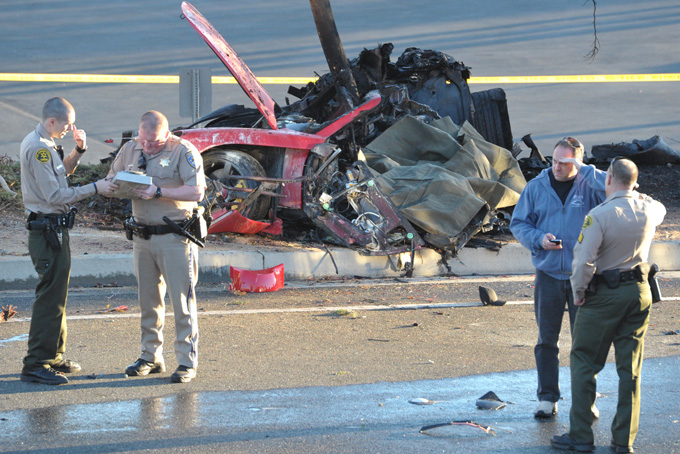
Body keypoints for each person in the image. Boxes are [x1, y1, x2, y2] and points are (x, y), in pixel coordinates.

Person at [551, 158, 666, 453]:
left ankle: (580, 435)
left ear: (609, 180)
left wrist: (578, 292)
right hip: (639, 292)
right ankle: (623, 440)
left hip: (604, 295)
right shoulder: (649, 209)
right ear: (635, 183)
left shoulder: (599, 215)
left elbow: (583, 260)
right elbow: (658, 204)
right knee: (631, 369)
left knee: (584, 361)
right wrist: (633, 190)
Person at [19, 97, 117, 385]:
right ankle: (36, 362)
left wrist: (79, 149)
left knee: (57, 295)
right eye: (66, 125)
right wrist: (96, 187)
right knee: (50, 297)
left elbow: (62, 174)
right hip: (47, 230)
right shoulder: (38, 148)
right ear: (52, 121)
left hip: (54, 230)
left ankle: (54, 355)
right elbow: (55, 196)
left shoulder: (46, 142)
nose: (68, 129)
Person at [510, 137, 607, 418]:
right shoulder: (536, 187)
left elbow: (617, 189)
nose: (557, 167)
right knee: (546, 341)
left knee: (585, 343)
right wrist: (540, 239)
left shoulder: (590, 184)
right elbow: (519, 223)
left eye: (565, 163)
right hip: (548, 275)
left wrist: (586, 170)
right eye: (554, 161)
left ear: (578, 162)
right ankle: (547, 398)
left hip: (583, 276)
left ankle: (585, 400)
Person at [107, 111, 206, 384]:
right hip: (142, 236)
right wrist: (116, 186)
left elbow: (197, 191)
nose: (147, 147)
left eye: (154, 142)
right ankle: (150, 356)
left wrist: (158, 192)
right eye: (144, 141)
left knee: (182, 303)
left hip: (174, 237)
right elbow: (111, 178)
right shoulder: (130, 148)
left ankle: (186, 362)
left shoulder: (182, 151)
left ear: (167, 134)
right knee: (149, 301)